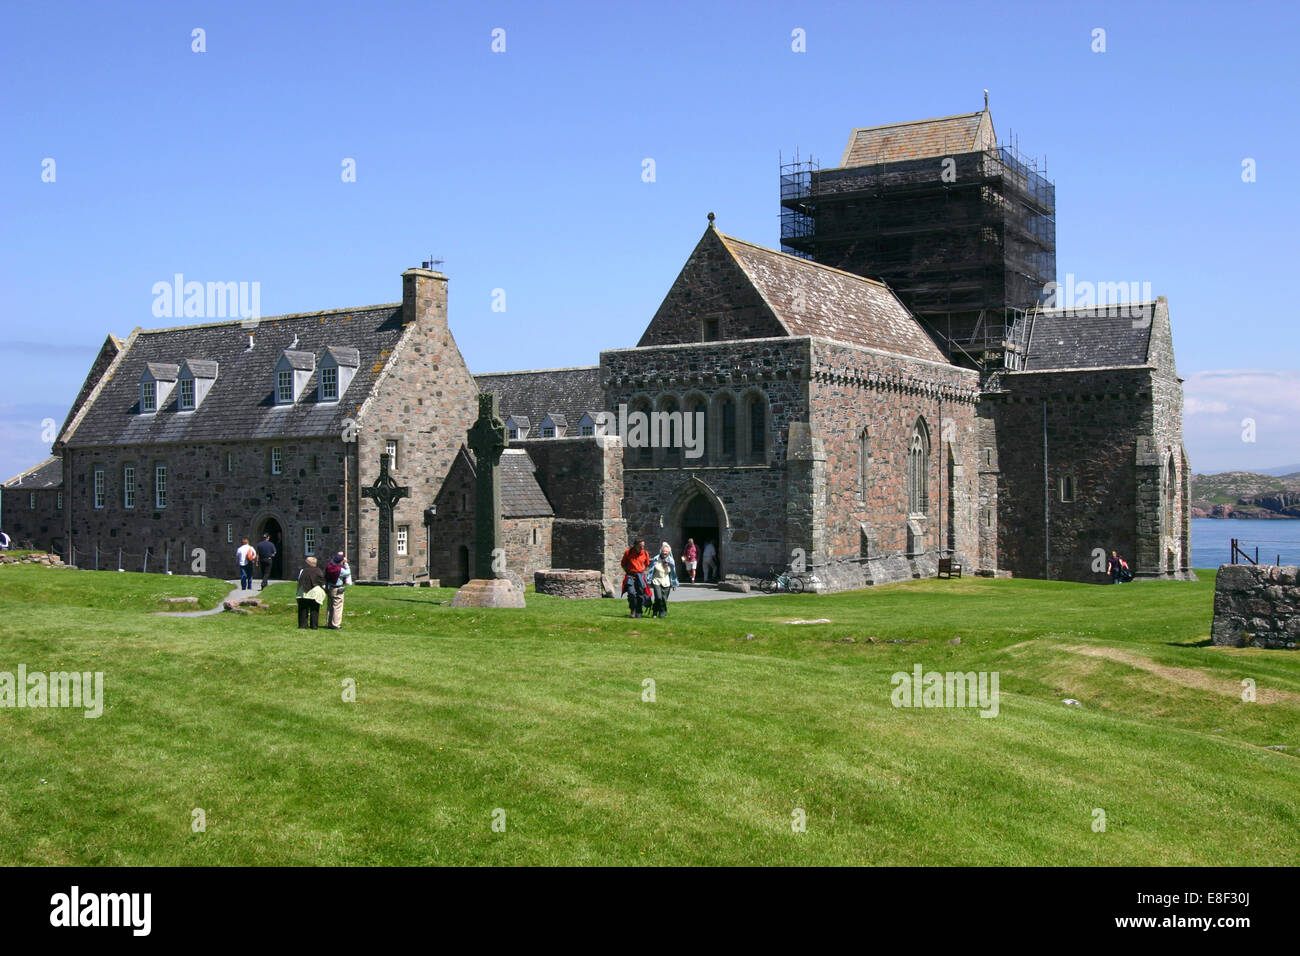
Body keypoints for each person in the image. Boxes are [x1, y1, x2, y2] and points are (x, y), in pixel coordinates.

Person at [620, 538, 651, 618]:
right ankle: (632, 610)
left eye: (643, 546)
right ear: (635, 545)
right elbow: (623, 563)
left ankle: (639, 611)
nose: (642, 548)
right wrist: (628, 572)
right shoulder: (628, 552)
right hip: (630, 575)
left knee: (640, 594)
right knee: (631, 593)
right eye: (640, 546)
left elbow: (647, 564)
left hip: (640, 575)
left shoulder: (645, 553)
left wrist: (641, 571)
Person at [648, 542, 680, 618]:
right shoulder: (656, 558)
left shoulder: (671, 560)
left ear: (669, 552)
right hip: (656, 580)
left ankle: (661, 612)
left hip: (666, 582)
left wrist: (674, 583)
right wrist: (648, 580)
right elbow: (651, 570)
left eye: (666, 551)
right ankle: (655, 612)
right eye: (663, 551)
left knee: (664, 599)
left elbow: (673, 573)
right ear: (661, 551)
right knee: (658, 597)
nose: (664, 553)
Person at [295, 556, 326, 629]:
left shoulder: (302, 571)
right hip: (315, 592)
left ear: (308, 563)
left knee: (303, 609)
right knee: (314, 610)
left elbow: (299, 580)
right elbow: (322, 581)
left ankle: (303, 625)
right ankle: (314, 626)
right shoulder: (319, 571)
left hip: (304, 592)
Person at [324, 551, 351, 629]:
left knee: (330, 606)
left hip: (329, 587)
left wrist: (340, 556)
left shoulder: (329, 566)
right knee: (337, 607)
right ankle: (335, 624)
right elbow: (348, 573)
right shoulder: (340, 570)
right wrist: (346, 563)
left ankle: (328, 623)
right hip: (337, 588)